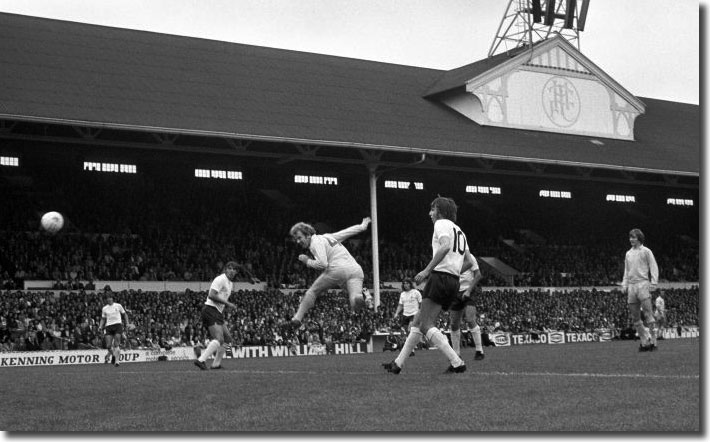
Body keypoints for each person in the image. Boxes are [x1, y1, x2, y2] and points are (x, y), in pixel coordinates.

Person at [383, 196, 474, 374]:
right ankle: (397, 364)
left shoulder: (441, 224)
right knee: (418, 322)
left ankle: (457, 361)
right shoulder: (460, 231)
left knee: (425, 325)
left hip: (440, 277)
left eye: (432, 209)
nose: (429, 213)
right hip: (453, 281)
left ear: (439, 211)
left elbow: (445, 246)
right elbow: (470, 261)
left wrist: (426, 271)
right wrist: (454, 271)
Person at [289, 217, 372, 327]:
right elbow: (346, 233)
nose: (298, 241)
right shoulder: (327, 237)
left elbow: (323, 264)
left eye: (299, 238)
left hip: (338, 269)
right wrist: (362, 226)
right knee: (354, 302)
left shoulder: (315, 243)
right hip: (355, 269)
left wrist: (307, 261)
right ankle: (361, 297)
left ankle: (297, 319)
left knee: (312, 292)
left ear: (308, 235)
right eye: (296, 239)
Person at [194, 261, 239, 370]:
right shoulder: (220, 279)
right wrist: (228, 303)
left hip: (217, 312)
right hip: (210, 309)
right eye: (230, 268)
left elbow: (221, 299)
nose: (232, 271)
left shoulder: (230, 283)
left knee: (228, 339)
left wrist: (226, 306)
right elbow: (211, 295)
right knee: (219, 339)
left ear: (236, 272)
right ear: (225, 269)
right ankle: (200, 360)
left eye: (234, 269)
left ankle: (216, 364)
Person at [621, 228, 659, 352]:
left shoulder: (646, 251)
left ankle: (653, 341)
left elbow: (653, 266)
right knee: (635, 318)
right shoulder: (628, 253)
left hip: (643, 284)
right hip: (632, 286)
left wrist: (654, 282)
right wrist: (624, 284)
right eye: (630, 237)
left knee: (648, 314)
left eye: (634, 237)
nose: (631, 239)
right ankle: (644, 341)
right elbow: (626, 270)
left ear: (639, 238)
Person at [449, 257, 485, 360]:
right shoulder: (451, 257)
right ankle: (456, 354)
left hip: (469, 290)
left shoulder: (469, 257)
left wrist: (469, 290)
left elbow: (478, 275)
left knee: (470, 319)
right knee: (454, 324)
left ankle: (479, 351)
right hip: (455, 292)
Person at [98, 292, 128, 367]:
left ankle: (117, 362)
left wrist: (127, 323)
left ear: (112, 299)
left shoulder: (118, 305)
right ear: (106, 300)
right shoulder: (104, 308)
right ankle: (114, 355)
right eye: (107, 298)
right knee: (108, 346)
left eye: (110, 298)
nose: (109, 299)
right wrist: (100, 326)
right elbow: (103, 318)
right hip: (108, 326)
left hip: (118, 325)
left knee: (116, 344)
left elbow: (124, 314)